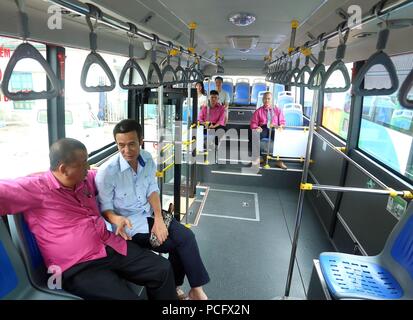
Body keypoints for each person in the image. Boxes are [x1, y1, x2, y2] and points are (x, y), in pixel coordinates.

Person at [0, 138, 177, 300]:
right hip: (77, 266)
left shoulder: (86, 179)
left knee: (162, 269)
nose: (88, 166)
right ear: (63, 169)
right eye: (83, 162)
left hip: (110, 246)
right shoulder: (35, 188)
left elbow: (108, 174)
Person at [95, 119, 210, 300]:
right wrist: (116, 219)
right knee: (178, 245)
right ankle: (175, 288)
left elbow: (152, 189)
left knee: (187, 236)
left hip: (149, 214)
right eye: (121, 145)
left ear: (141, 140)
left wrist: (158, 218)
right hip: (130, 226)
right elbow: (106, 208)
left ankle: (196, 288)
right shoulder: (107, 172)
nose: (127, 151)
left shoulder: (147, 158)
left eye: (132, 144)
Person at [250, 91, 287, 169]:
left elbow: (282, 122)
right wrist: (257, 127)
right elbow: (253, 123)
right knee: (254, 135)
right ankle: (259, 157)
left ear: (272, 100)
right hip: (263, 128)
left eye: (269, 99)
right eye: (265, 99)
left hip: (274, 127)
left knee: (281, 137)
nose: (267, 100)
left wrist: (281, 126)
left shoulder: (277, 110)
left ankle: (279, 160)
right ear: (262, 100)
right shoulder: (258, 111)